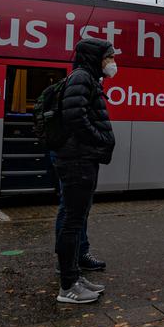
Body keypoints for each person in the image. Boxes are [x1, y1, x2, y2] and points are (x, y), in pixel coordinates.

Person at [54, 39, 116, 304]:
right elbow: (75, 116)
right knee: (73, 221)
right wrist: (98, 138)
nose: (112, 62)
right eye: (108, 57)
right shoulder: (82, 77)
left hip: (82, 158)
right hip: (78, 159)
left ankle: (74, 276)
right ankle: (68, 286)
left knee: (76, 218)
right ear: (94, 57)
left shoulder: (87, 77)